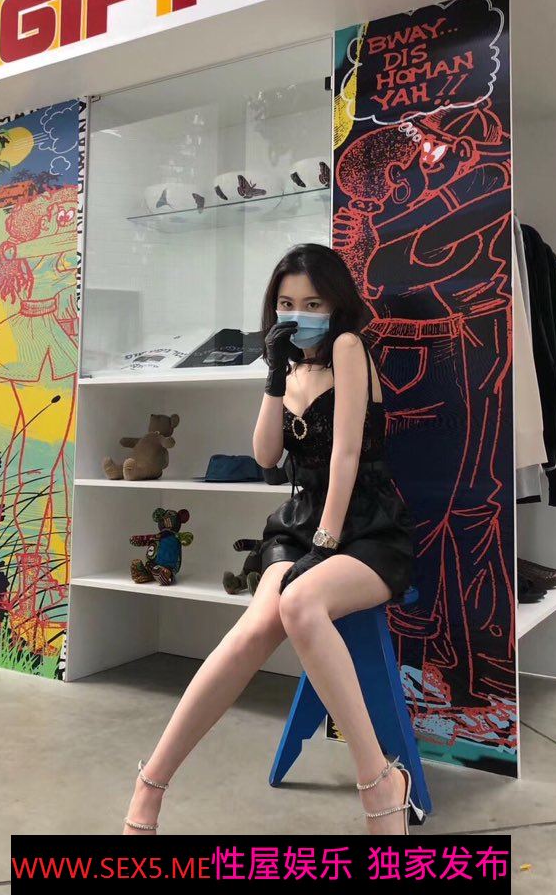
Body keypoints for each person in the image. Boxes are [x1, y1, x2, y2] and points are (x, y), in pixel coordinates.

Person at [122, 243, 419, 836]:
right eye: (286, 303)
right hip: (298, 522)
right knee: (255, 628)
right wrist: (275, 376)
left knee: (300, 602)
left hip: (365, 524)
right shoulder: (292, 366)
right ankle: (151, 782)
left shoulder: (348, 347)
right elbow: (265, 457)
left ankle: (378, 780)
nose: (298, 313)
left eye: (312, 303)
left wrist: (327, 543)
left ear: (335, 305)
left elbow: (347, 455)